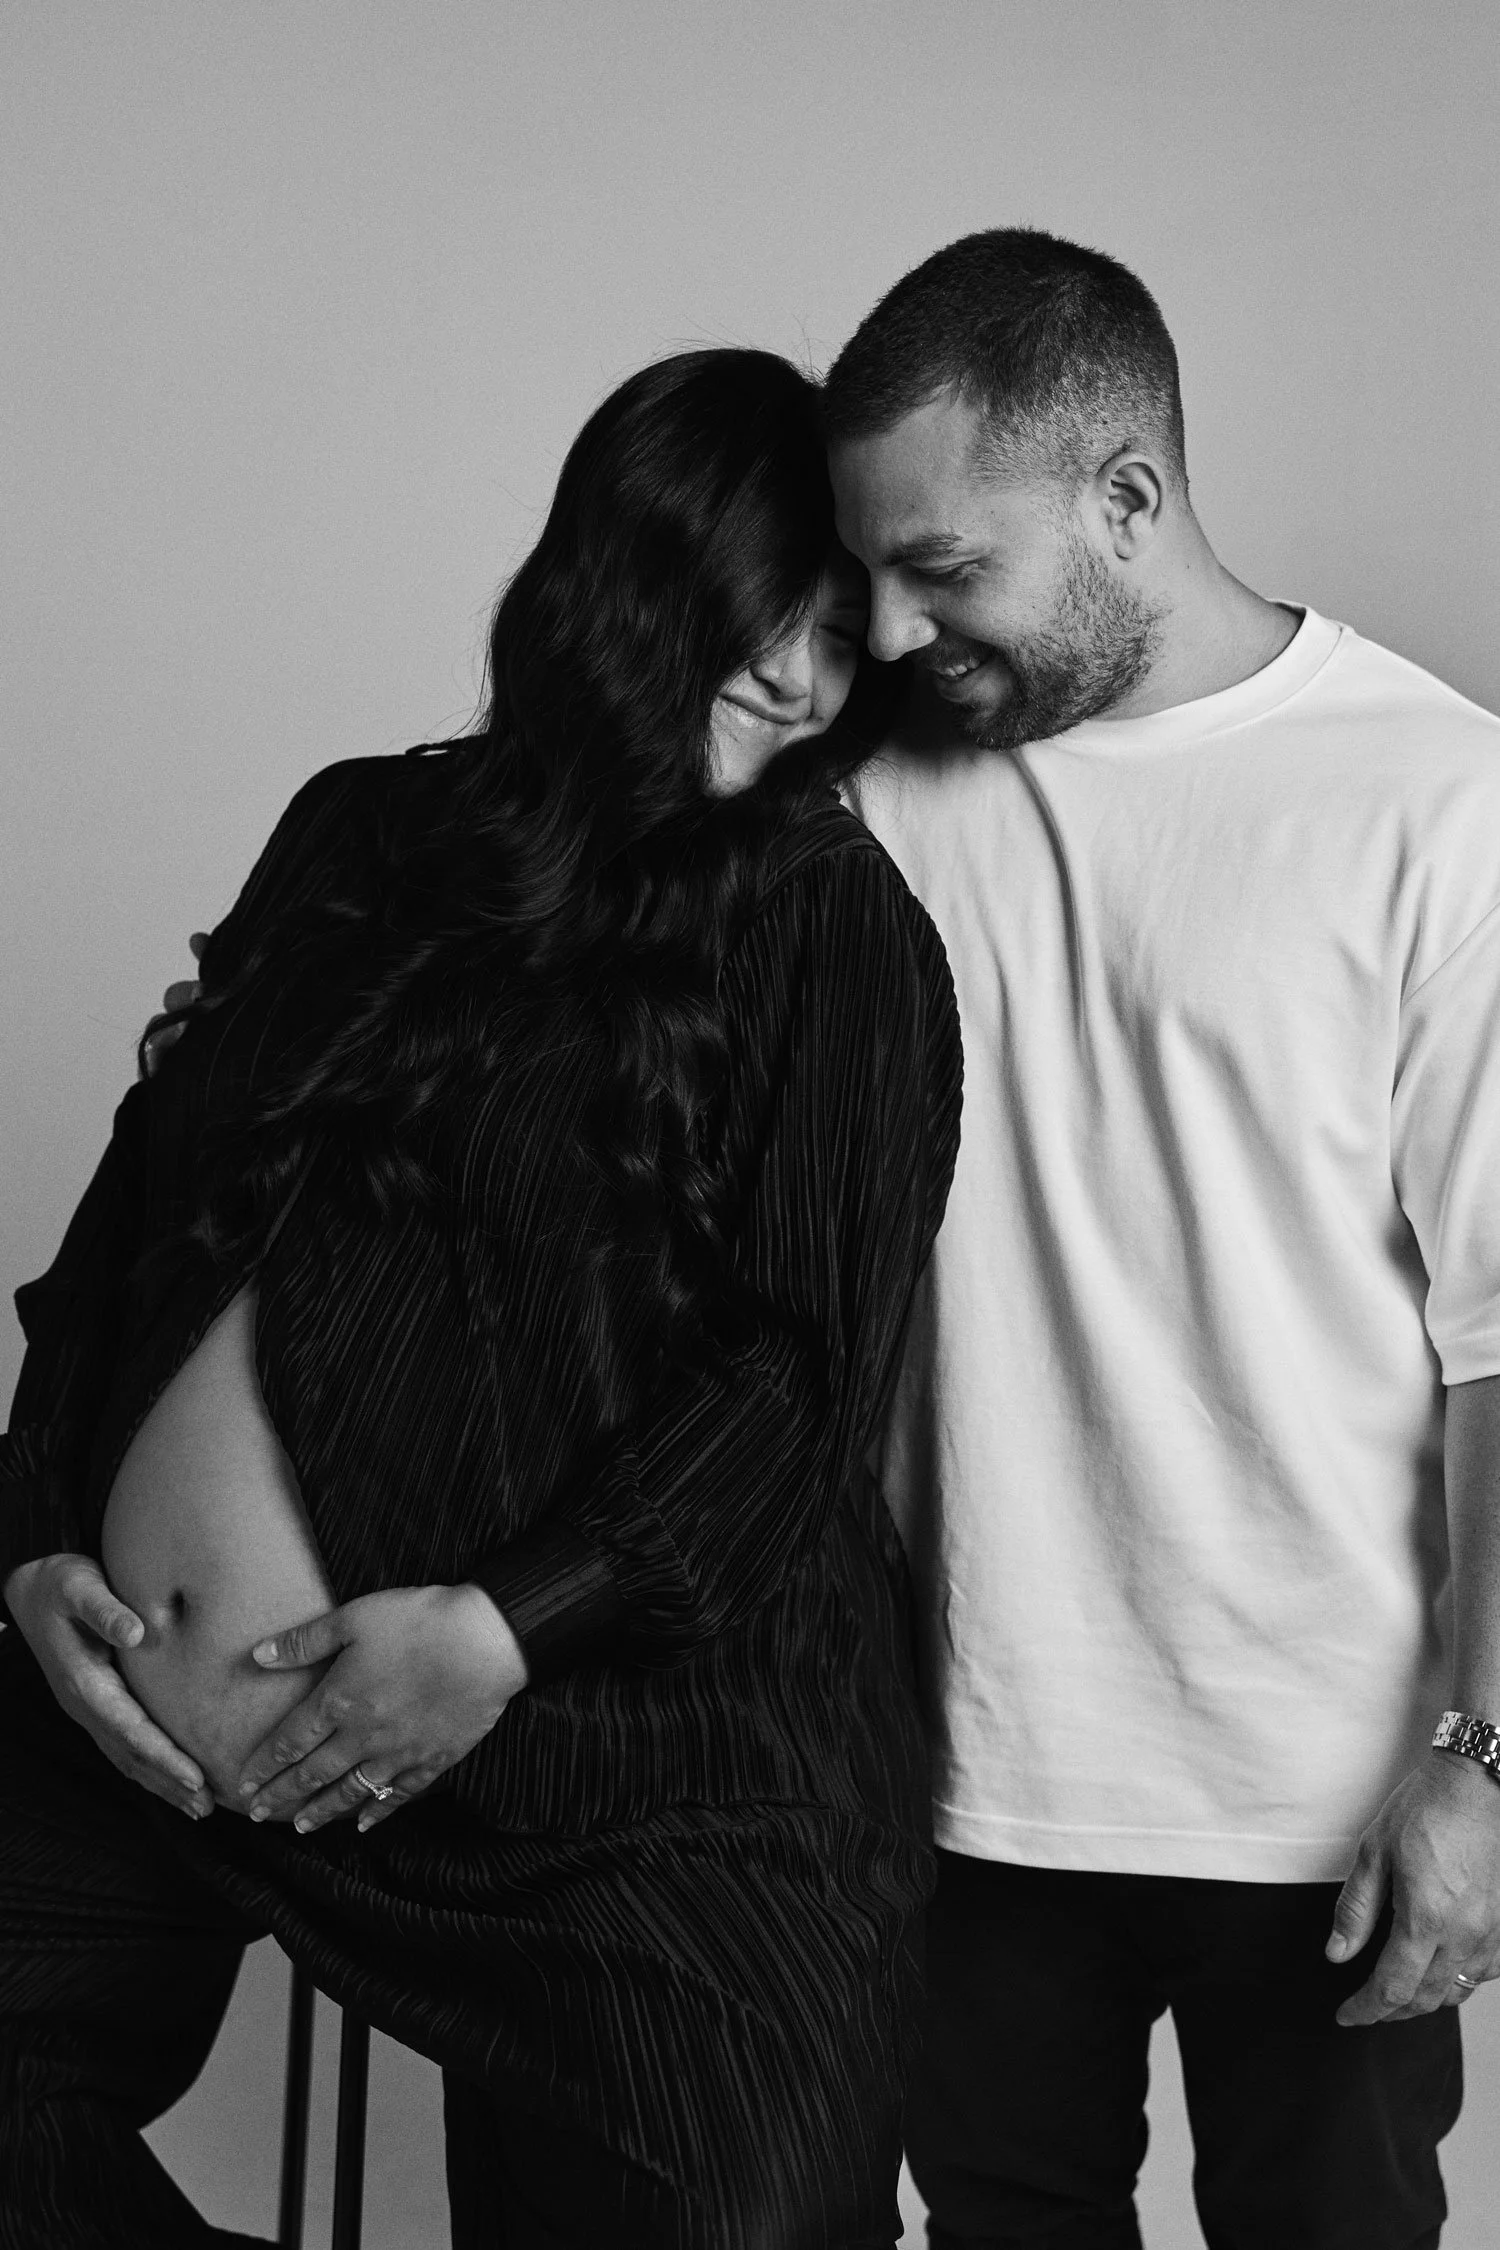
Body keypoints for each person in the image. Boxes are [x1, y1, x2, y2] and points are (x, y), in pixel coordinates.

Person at [0, 347, 962, 2250]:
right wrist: (33, 1540)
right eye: (756, 608)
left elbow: (798, 1383)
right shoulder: (359, 832)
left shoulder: (832, 928)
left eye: (843, 634)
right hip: (142, 1737)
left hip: (633, 1782)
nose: (797, 674)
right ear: (624, 569)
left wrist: (510, 1630)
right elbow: (140, 1224)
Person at [820, 228, 1500, 2249]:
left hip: (1329, 1794)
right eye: (869, 570)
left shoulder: (1437, 800)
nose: (889, 623)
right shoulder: (890, 797)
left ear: (1126, 497)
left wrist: (1484, 1760)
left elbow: (1499, 1350)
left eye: (943, 568)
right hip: (971, 1779)